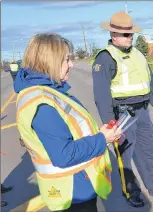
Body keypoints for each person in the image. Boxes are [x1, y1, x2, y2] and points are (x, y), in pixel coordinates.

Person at [14, 33, 122, 212]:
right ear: (50, 61)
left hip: (77, 185)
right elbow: (64, 154)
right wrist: (102, 139)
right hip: (72, 192)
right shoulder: (42, 104)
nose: (71, 64)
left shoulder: (49, 91)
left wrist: (101, 133)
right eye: (66, 60)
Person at [91, 11, 153, 208]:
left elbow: (150, 81)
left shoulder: (138, 54)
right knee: (126, 158)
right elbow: (101, 95)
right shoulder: (105, 58)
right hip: (122, 115)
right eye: (125, 35)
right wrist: (110, 124)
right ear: (113, 35)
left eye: (131, 34)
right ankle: (131, 192)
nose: (130, 38)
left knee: (149, 151)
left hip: (142, 112)